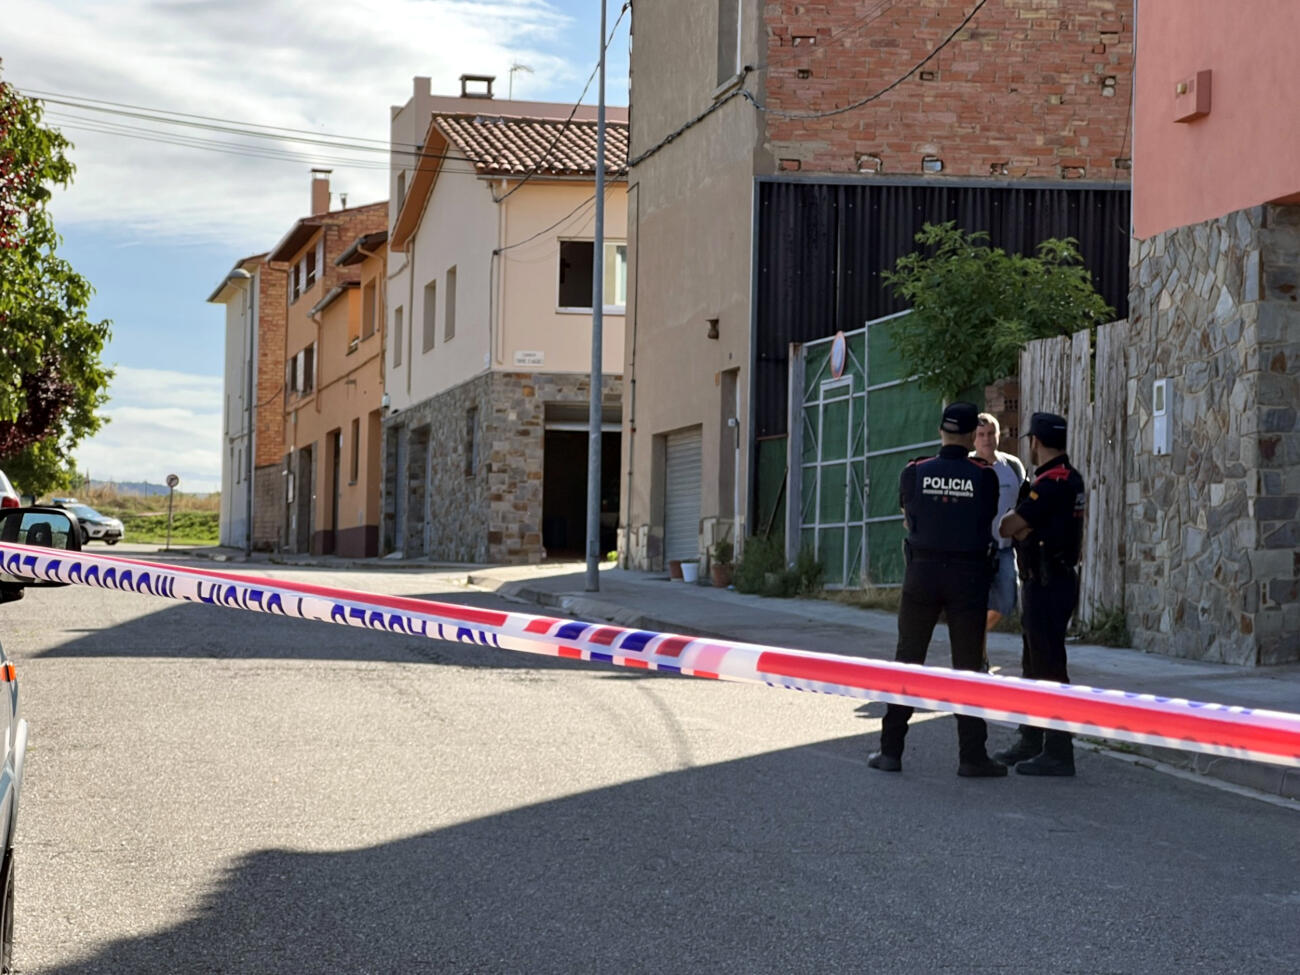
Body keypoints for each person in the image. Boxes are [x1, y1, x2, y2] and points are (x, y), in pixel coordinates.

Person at [867, 401, 1007, 778]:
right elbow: (988, 518)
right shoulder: (985, 476)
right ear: (968, 436)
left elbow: (906, 519)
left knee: (908, 660)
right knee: (968, 668)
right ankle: (972, 755)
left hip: (922, 574)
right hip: (968, 577)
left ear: (942, 432)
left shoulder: (915, 471)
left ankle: (890, 750)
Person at [995, 411, 1086, 776]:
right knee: (1035, 664)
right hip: (1052, 579)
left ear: (1036, 442)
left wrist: (1021, 528)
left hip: (1047, 582)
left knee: (1048, 666)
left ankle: (1059, 750)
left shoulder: (1049, 484)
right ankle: (1033, 739)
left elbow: (1006, 526)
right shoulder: (1069, 477)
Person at [972, 413, 1026, 632]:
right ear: (973, 439)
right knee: (975, 604)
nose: (987, 439)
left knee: (1006, 602)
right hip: (975, 551)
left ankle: (975, 637)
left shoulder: (1012, 466)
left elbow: (1025, 502)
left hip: (1004, 550)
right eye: (981, 434)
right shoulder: (966, 466)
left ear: (998, 434)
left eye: (991, 433)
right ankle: (977, 652)